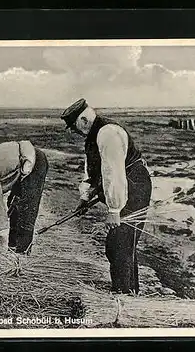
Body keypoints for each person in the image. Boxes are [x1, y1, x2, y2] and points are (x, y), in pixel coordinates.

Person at [60, 98, 152, 294]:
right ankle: (128, 291)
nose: (74, 132)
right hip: (124, 185)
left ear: (84, 120)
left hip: (133, 187)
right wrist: (84, 198)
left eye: (74, 127)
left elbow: (113, 173)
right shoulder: (93, 137)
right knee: (120, 245)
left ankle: (123, 294)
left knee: (120, 244)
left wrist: (114, 210)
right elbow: (92, 172)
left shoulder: (108, 133)